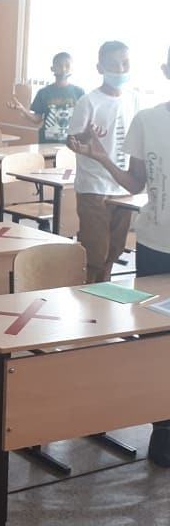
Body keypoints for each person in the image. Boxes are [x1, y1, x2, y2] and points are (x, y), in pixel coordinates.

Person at [68, 44, 170, 466]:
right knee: (155, 339)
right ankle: (162, 430)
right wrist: (102, 157)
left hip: (148, 234)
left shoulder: (137, 108)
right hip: (156, 244)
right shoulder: (149, 119)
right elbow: (134, 183)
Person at [66, 40, 138, 283]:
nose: (120, 69)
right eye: (113, 65)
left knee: (115, 249)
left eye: (125, 63)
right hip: (94, 187)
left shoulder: (133, 99)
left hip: (123, 186)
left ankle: (103, 288)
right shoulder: (89, 101)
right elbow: (71, 140)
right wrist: (85, 136)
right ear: (100, 68)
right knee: (95, 250)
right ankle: (88, 291)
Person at [6, 52, 85, 142]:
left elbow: (83, 120)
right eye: (59, 65)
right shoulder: (43, 92)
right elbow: (37, 119)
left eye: (67, 66)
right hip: (46, 143)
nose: (63, 69)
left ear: (72, 69)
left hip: (70, 145)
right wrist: (22, 109)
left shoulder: (79, 92)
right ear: (52, 68)